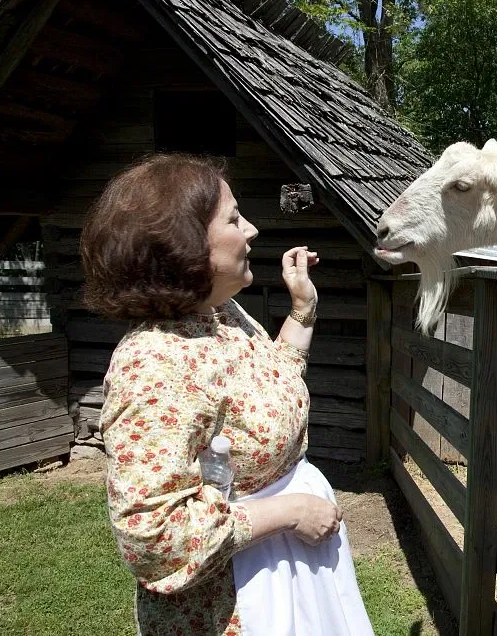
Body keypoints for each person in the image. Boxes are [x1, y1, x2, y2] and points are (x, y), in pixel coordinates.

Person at [81, 153, 375, 636]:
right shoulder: (154, 364)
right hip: (241, 599)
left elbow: (270, 386)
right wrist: (289, 512)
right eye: (235, 218)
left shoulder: (223, 316)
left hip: (286, 569)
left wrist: (304, 308)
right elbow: (153, 538)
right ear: (185, 243)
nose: (253, 230)